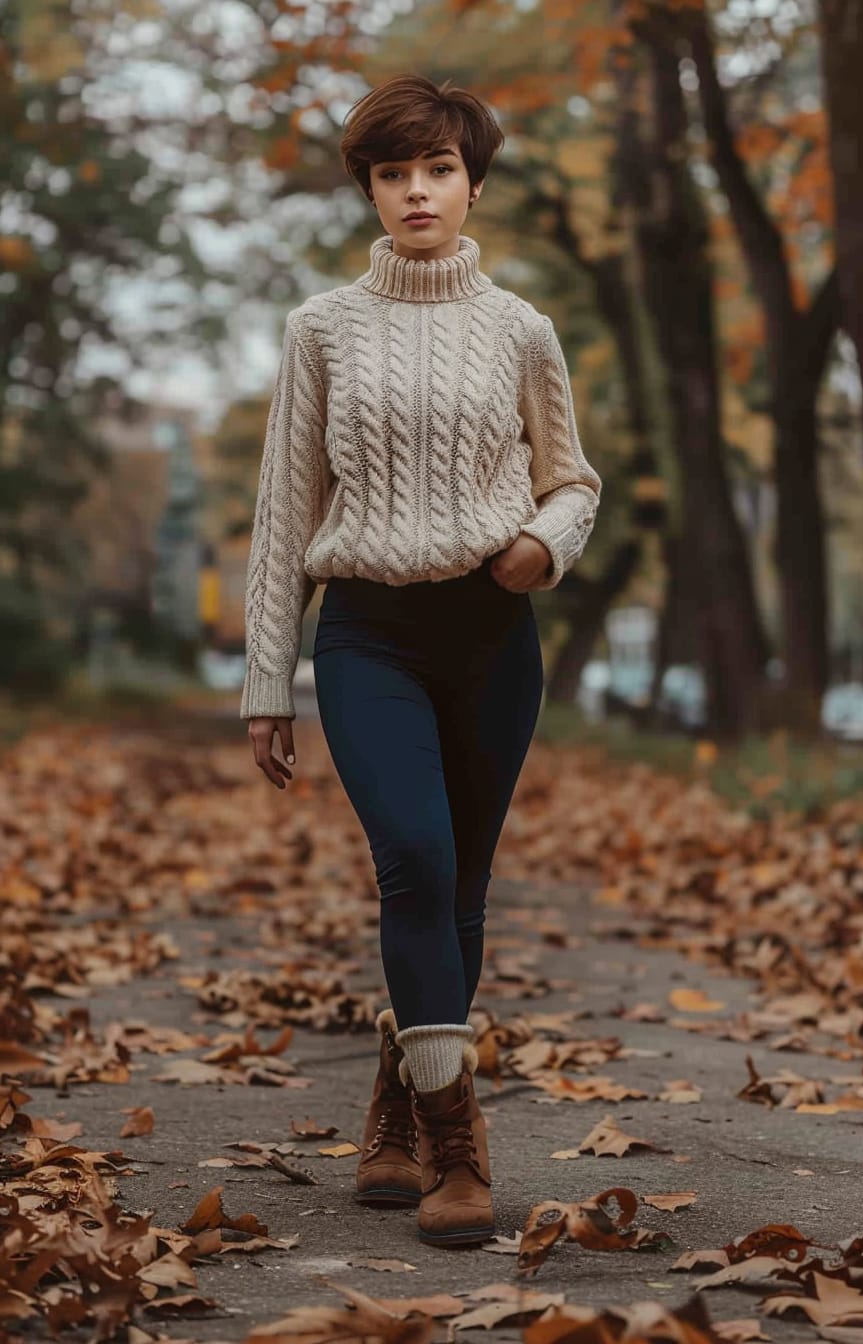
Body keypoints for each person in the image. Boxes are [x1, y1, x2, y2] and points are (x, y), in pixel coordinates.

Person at [240, 73, 602, 1248]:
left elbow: (572, 479)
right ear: (369, 191)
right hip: (367, 633)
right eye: (392, 173)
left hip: (491, 634)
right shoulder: (319, 329)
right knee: (412, 855)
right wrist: (264, 682)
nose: (415, 191)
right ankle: (459, 1147)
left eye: (436, 170)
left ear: (470, 182)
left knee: (460, 890)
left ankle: (396, 1116)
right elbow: (283, 509)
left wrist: (541, 548)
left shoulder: (520, 330)